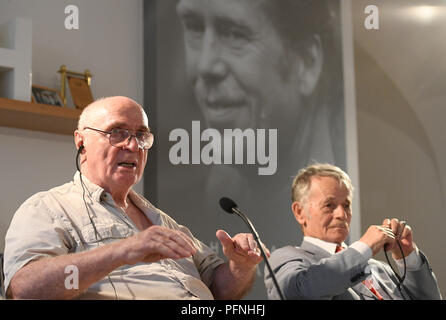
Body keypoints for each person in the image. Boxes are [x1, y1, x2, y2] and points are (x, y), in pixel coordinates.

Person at [3, 96, 266, 300]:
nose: (133, 145)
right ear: (81, 142)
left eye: (141, 135)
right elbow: (25, 289)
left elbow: (220, 290)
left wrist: (240, 267)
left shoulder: (163, 221)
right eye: (117, 132)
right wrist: (123, 250)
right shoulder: (48, 207)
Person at [264, 163, 442, 300]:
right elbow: (298, 293)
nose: (342, 214)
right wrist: (364, 247)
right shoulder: (287, 258)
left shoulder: (380, 269)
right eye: (329, 205)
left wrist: (409, 256)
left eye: (346, 205)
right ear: (299, 212)